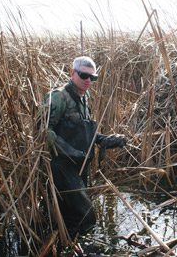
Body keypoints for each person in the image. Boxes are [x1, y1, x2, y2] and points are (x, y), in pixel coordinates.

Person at [38, 56, 127, 238]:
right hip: (61, 167)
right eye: (83, 75)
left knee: (69, 215)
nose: (88, 81)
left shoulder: (84, 97)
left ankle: (68, 244)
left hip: (79, 164)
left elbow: (84, 131)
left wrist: (106, 140)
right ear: (72, 73)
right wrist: (71, 153)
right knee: (84, 216)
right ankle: (67, 244)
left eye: (92, 78)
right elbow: (42, 131)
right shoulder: (58, 97)